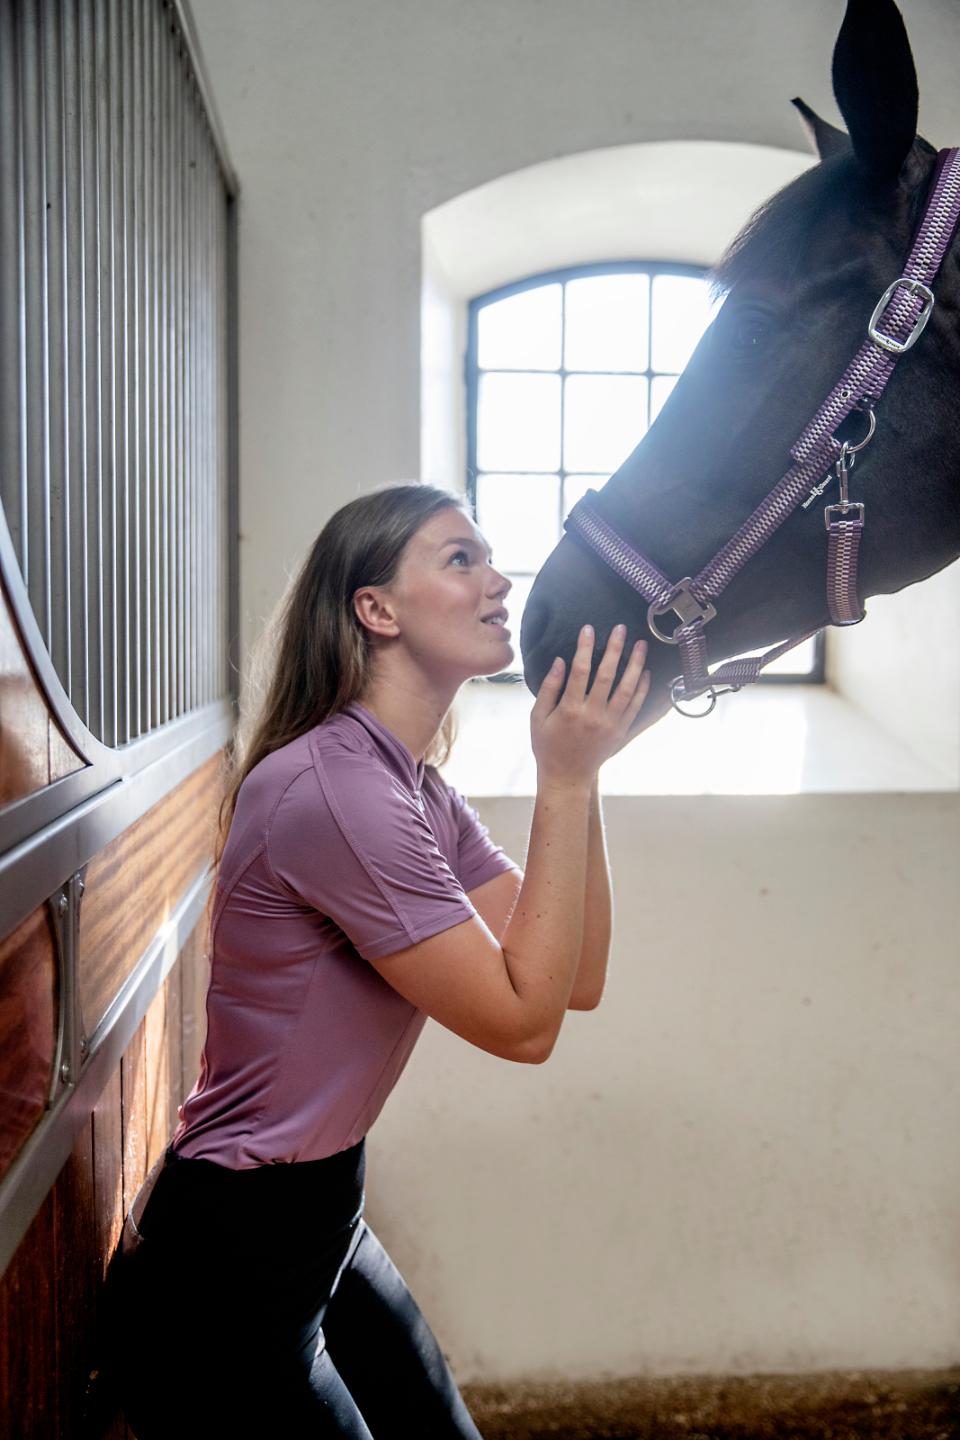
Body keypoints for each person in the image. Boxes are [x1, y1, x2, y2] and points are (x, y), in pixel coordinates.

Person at [103, 481, 651, 1437]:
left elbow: (578, 978)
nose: (500, 582)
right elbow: (523, 1028)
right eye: (460, 559)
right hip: (229, 1263)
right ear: (376, 609)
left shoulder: (409, 789)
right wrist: (559, 776)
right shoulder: (335, 792)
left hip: (318, 1216)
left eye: (490, 560)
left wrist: (584, 772)